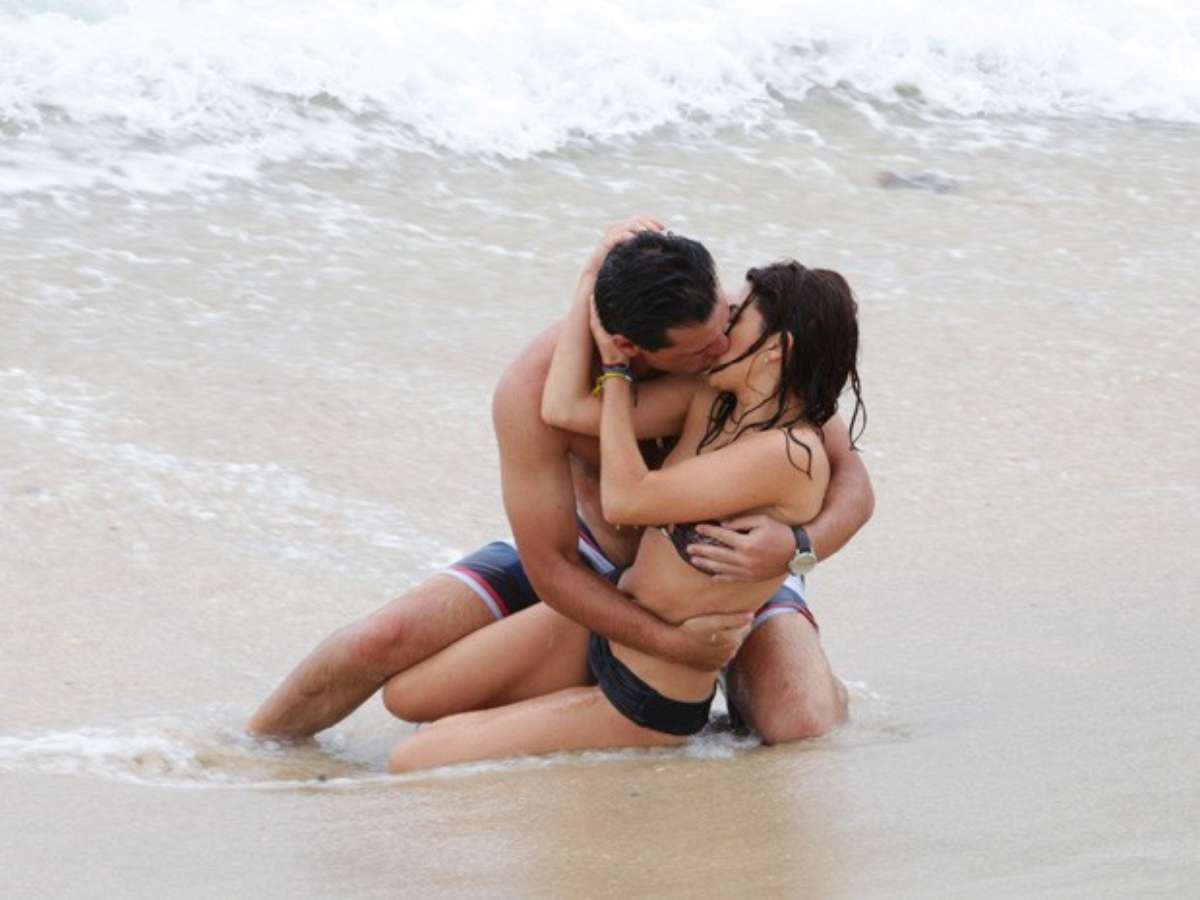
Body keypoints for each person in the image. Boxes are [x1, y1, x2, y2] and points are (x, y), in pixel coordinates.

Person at [246, 218, 873, 746]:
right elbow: (552, 567)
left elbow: (851, 479)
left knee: (798, 722)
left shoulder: (732, 338)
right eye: (701, 351)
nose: (719, 349)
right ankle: (255, 749)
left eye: (728, 322)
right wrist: (669, 643)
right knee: (381, 643)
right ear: (630, 347)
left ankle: (747, 687)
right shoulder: (533, 390)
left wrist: (797, 546)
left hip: (730, 570)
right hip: (592, 559)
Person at [384, 251, 866, 772]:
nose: (721, 330)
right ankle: (545, 709)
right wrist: (588, 294)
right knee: (406, 696)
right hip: (614, 624)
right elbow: (564, 408)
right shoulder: (711, 399)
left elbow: (627, 499)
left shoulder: (787, 454)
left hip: (647, 693)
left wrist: (616, 372)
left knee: (411, 758)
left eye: (736, 317)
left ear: (777, 349)